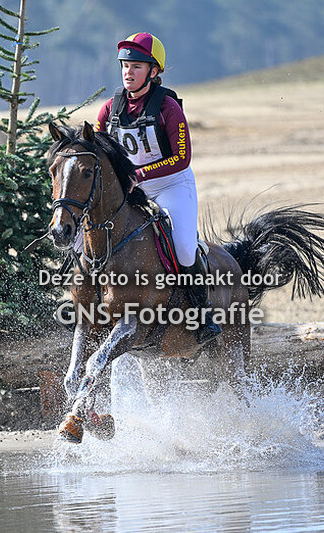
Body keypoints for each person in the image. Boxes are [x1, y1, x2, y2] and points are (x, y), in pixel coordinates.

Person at [94, 32, 221, 344]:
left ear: (153, 71)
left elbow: (181, 157)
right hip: (131, 189)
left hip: (171, 185)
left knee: (184, 249)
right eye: (125, 65)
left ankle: (201, 315)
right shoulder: (109, 109)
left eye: (137, 66)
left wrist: (139, 173)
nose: (128, 72)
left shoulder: (167, 108)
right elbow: (96, 149)